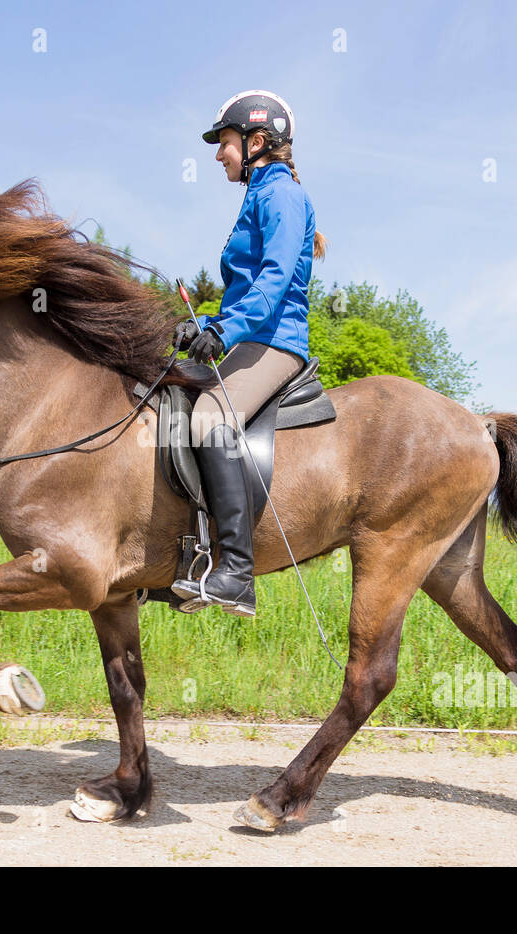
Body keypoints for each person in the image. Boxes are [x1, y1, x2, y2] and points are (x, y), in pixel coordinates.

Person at [170, 89, 328, 617]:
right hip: (248, 332)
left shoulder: (280, 195)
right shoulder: (257, 195)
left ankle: (235, 569)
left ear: (257, 142)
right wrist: (207, 326)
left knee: (209, 415)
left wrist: (228, 329)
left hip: (275, 341)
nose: (219, 154)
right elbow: (244, 290)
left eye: (225, 143)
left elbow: (276, 281)